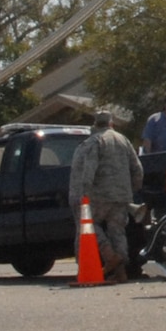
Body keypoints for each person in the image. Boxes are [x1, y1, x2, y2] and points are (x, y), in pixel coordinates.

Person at [67, 109, 141, 282]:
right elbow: (137, 168)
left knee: (88, 225)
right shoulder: (124, 140)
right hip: (121, 195)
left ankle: (109, 255)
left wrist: (84, 194)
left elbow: (89, 170)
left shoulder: (94, 141)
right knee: (118, 232)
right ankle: (121, 272)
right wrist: (133, 189)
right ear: (111, 123)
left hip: (99, 195)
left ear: (95, 124)